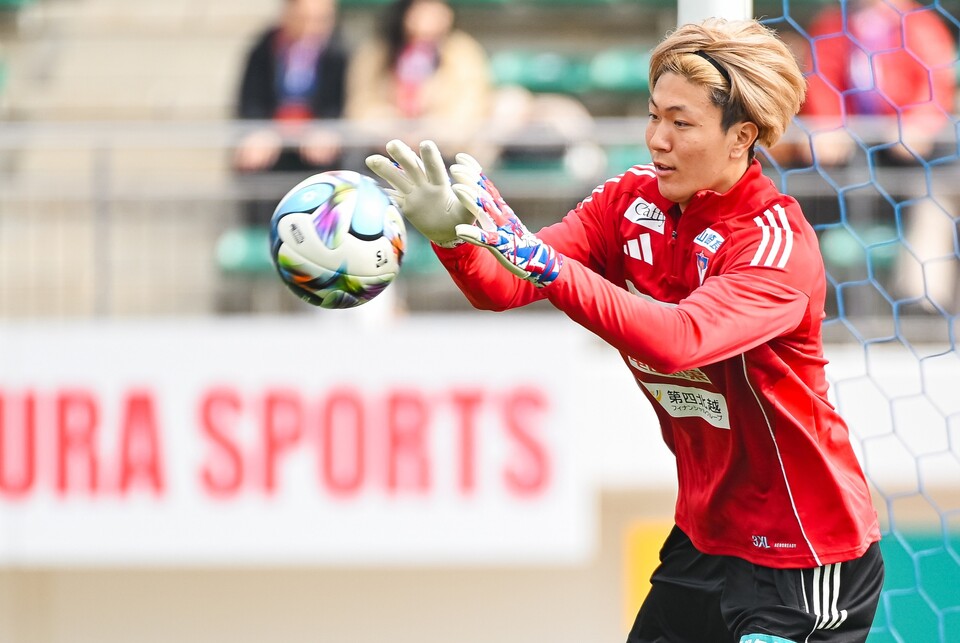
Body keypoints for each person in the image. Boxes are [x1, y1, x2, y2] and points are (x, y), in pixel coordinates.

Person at [367, 18, 885, 643]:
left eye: (681, 123)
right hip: (705, 537)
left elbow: (678, 339)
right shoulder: (628, 202)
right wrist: (452, 237)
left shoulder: (775, 245)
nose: (657, 139)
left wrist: (542, 261)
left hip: (804, 552)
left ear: (741, 136)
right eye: (653, 116)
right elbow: (504, 286)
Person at [789, 0, 958, 312]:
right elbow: (821, 81)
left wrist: (918, 122)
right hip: (851, 153)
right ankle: (797, 293)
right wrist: (827, 125)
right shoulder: (832, 25)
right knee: (803, 193)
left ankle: (922, 302)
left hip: (911, 156)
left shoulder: (918, 24)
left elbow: (934, 83)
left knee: (934, 196)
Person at [233, 0, 349, 226]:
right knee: (254, 161)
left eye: (321, 20)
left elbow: (341, 101)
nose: (312, 28)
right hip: (273, 138)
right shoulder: (264, 48)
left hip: (316, 143)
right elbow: (251, 99)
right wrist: (258, 132)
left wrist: (327, 129)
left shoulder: (339, 52)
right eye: (304, 18)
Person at [344, 0, 495, 166]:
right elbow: (361, 105)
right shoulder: (377, 52)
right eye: (422, 9)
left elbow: (470, 108)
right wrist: (393, 133)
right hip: (383, 152)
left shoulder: (463, 52)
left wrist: (427, 136)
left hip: (445, 155)